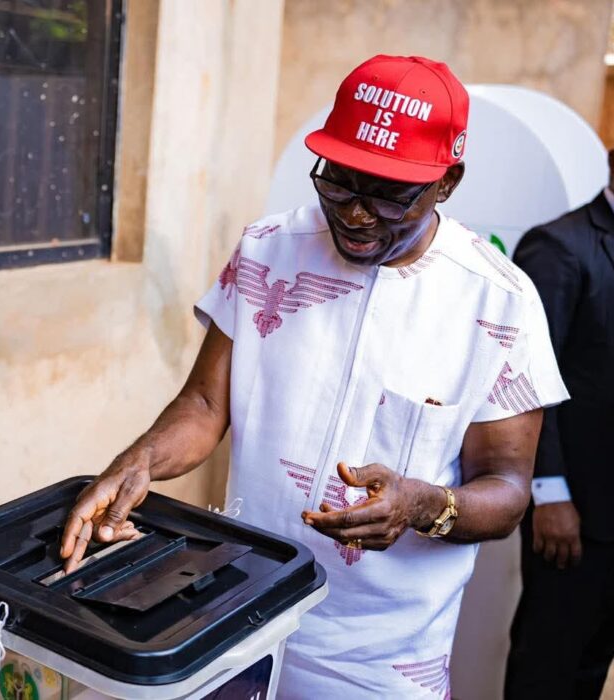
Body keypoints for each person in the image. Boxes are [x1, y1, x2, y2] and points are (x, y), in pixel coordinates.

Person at [59, 55, 568, 696]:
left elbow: (507, 490)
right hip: (237, 608)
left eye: (388, 194)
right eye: (340, 182)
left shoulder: (500, 303)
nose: (356, 214)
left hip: (379, 656)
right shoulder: (268, 246)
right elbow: (206, 400)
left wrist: (422, 504)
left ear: (447, 183)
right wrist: (139, 462)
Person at [504, 151, 614, 699]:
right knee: (547, 664)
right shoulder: (559, 245)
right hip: (573, 511)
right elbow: (527, 381)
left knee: (592, 666)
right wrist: (548, 495)